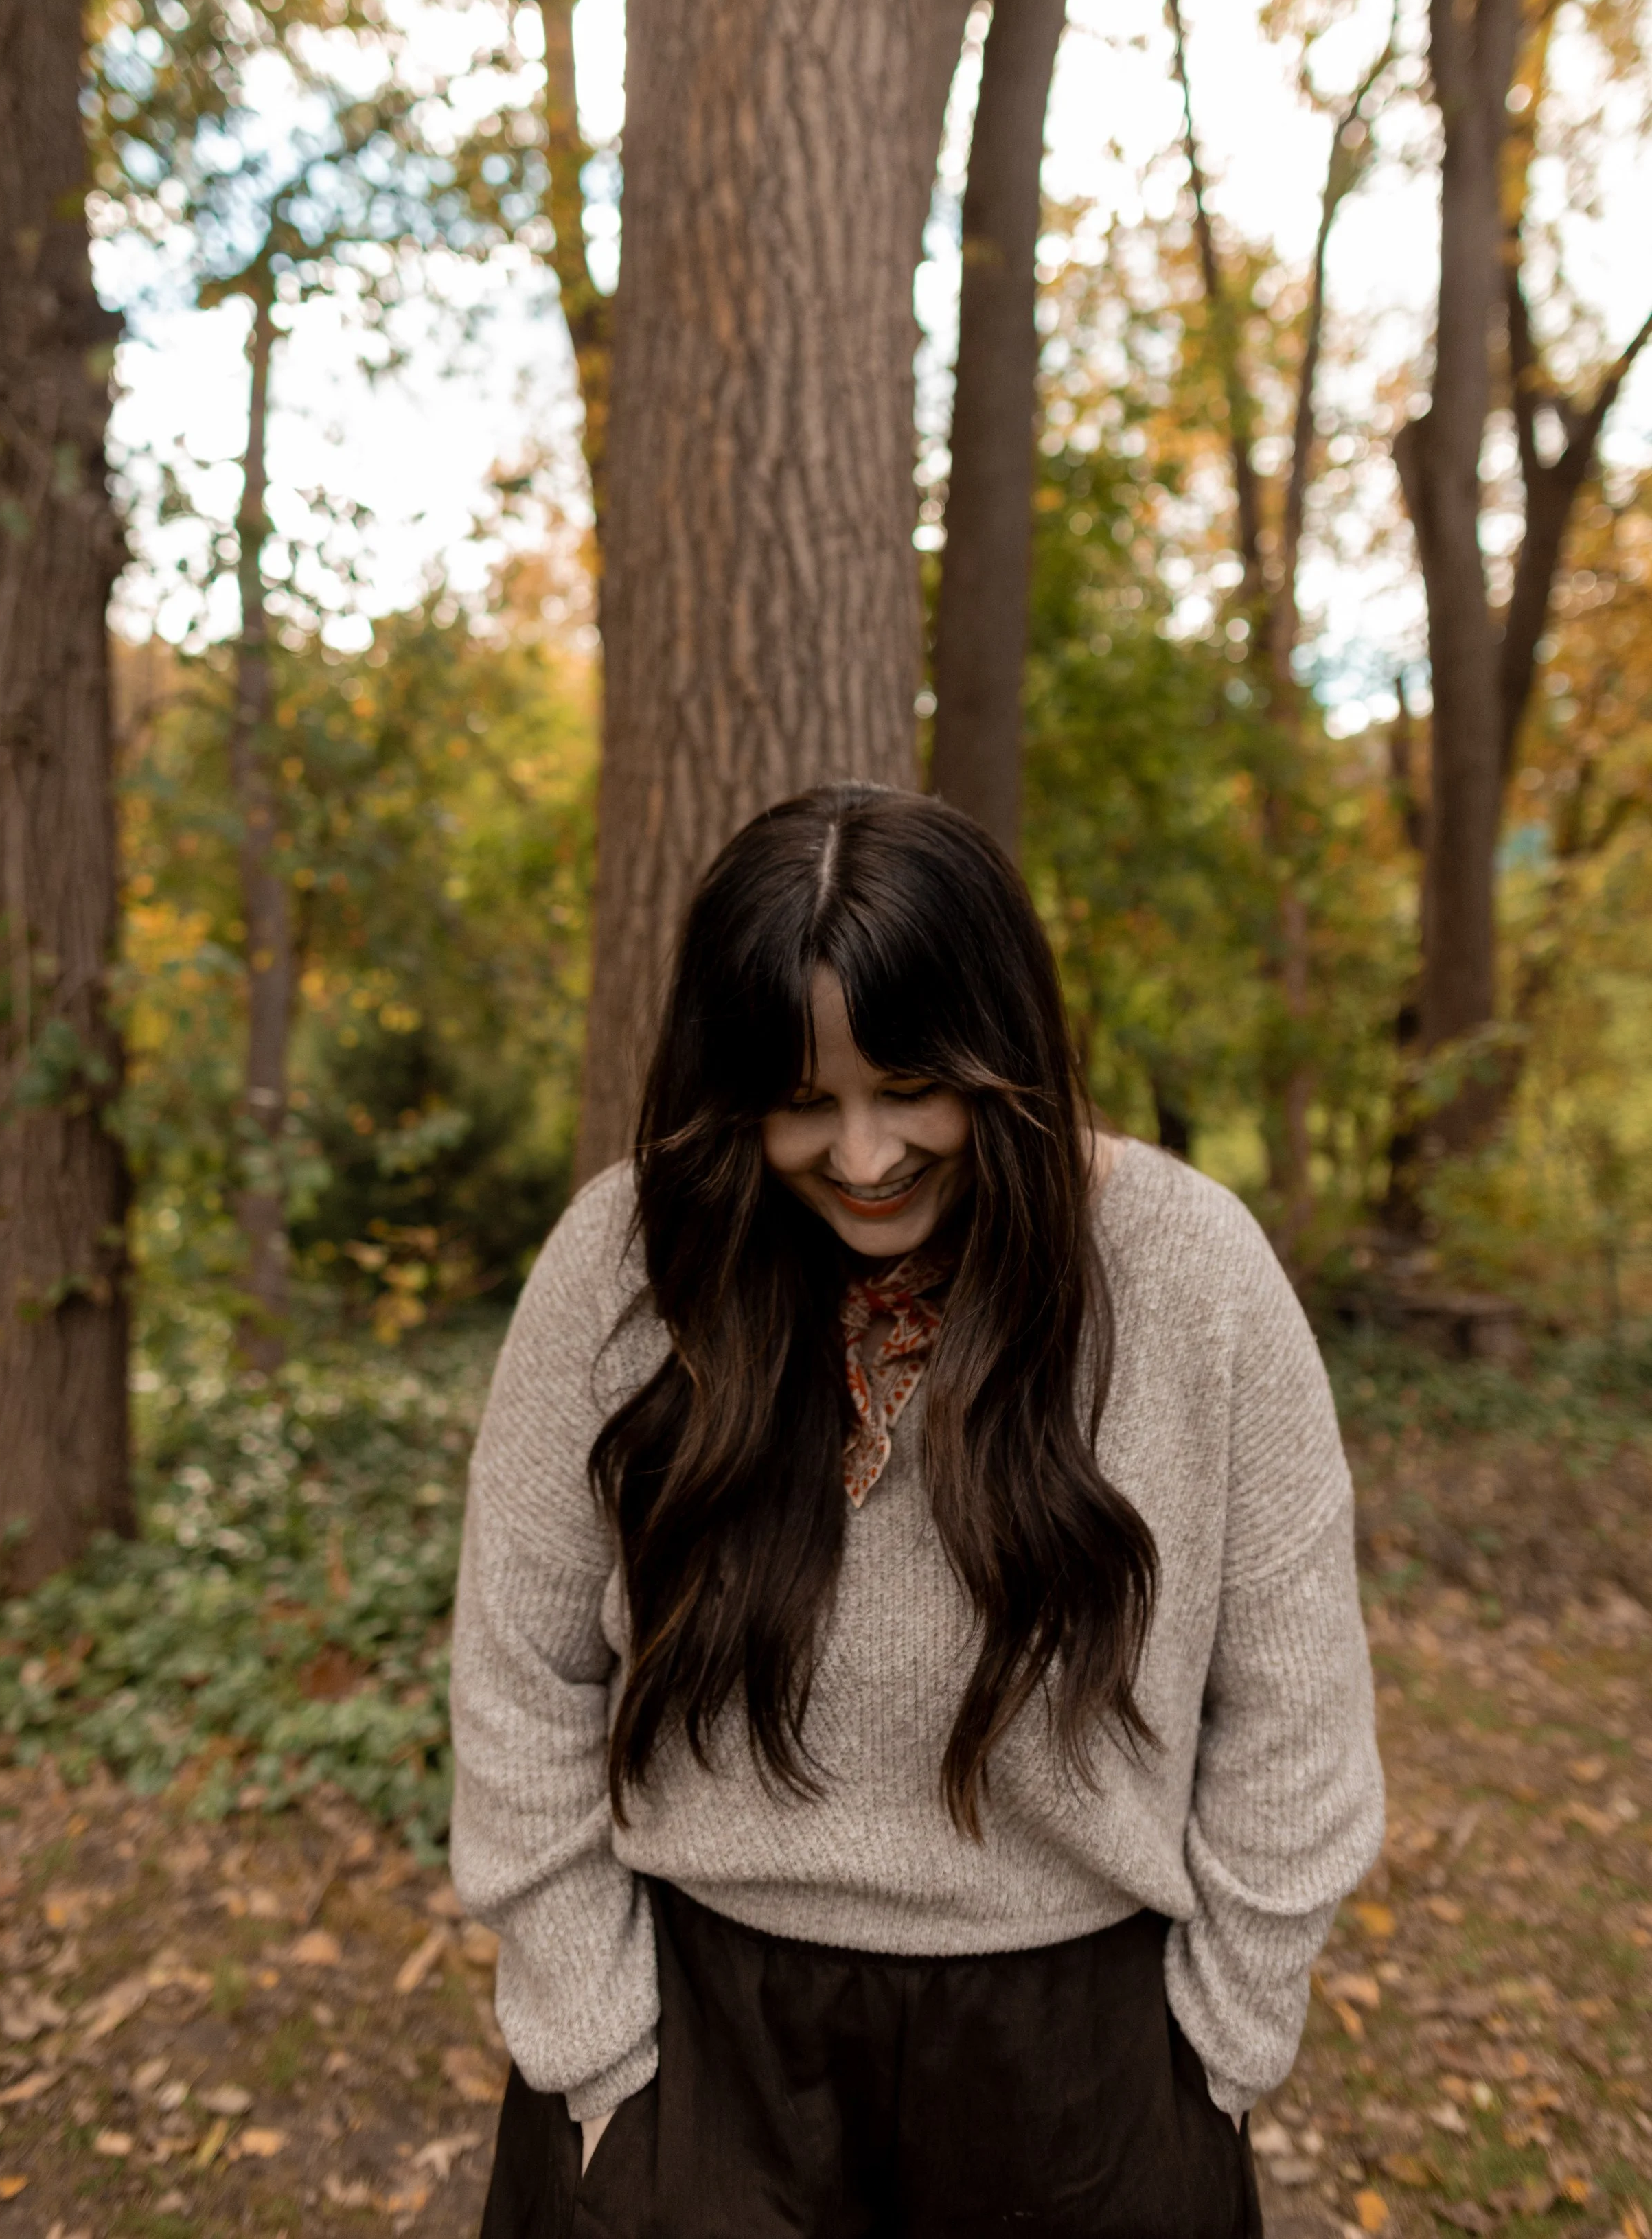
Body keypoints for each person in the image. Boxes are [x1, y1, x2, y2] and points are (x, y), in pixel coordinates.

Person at [451, 784, 1382, 2238]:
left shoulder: (1191, 1274)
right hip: (694, 2056)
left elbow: (1295, 1711)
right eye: (803, 1102)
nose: (866, 1156)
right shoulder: (621, 1271)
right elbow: (520, 1677)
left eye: (910, 1089)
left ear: (1002, 1050)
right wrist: (600, 2053)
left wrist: (1219, 2051)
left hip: (1083, 2073)